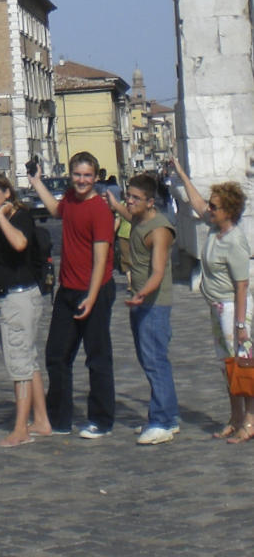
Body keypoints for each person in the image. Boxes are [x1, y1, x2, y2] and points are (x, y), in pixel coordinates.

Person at [30, 151, 115, 438]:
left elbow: (101, 259)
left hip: (94, 289)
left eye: (87, 175)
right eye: (77, 175)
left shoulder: (100, 210)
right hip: (67, 290)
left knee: (97, 358)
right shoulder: (69, 198)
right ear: (71, 175)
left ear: (96, 177)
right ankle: (60, 418)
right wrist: (36, 182)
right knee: (56, 355)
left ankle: (101, 420)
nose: (81, 180)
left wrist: (91, 297)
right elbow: (56, 210)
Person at [171, 155, 253, 441]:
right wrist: (182, 175)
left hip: (234, 309)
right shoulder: (217, 230)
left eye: (215, 206)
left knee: (244, 364)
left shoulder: (235, 241)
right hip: (217, 307)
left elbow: (242, 286)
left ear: (228, 211)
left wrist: (241, 325)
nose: (210, 209)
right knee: (226, 365)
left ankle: (250, 422)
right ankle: (235, 416)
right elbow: (197, 204)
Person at [0, 169, 51, 447]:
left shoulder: (18, 217)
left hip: (19, 297)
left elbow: (19, 243)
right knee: (29, 359)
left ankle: (21, 429)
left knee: (19, 365)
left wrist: (2, 215)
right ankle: (41, 420)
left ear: (8, 194)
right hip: (10, 297)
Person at [105, 173, 178, 444]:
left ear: (150, 202)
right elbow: (128, 215)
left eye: (135, 198)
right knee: (150, 360)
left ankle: (161, 421)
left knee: (155, 361)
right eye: (128, 195)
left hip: (154, 304)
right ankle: (167, 416)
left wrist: (141, 295)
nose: (130, 201)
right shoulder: (138, 217)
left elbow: (158, 272)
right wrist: (115, 204)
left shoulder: (159, 230)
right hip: (141, 300)